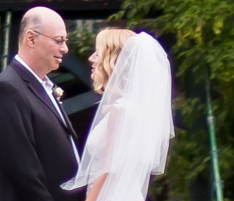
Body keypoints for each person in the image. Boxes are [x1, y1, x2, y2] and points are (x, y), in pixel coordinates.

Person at [62, 29, 173, 201]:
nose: (91, 58)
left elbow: (110, 169)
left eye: (98, 53)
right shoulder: (135, 109)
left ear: (113, 60)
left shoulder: (121, 108)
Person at [0, 7, 80, 201]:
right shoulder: (7, 89)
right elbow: (23, 172)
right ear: (31, 38)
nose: (65, 48)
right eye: (58, 40)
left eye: (65, 41)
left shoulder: (42, 85)